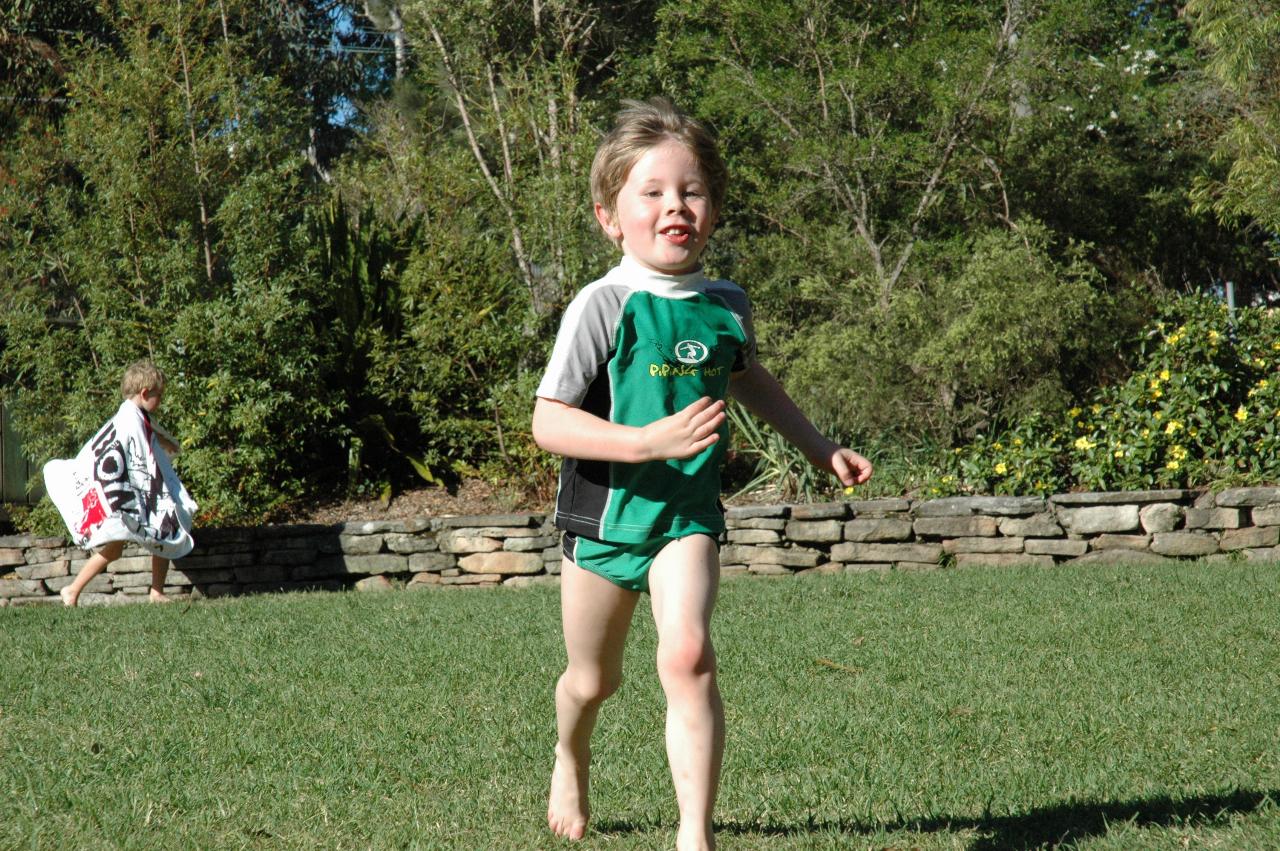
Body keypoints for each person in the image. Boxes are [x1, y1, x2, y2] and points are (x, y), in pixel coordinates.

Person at [532, 97, 873, 850]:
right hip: (604, 521)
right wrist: (646, 440)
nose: (674, 205)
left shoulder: (726, 305)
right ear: (610, 216)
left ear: (712, 211)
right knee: (592, 682)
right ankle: (569, 753)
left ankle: (695, 836)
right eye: (651, 192)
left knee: (687, 652)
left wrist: (820, 447)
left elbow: (753, 380)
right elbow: (548, 420)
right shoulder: (603, 304)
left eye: (690, 191)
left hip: (686, 518)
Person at [44, 360, 197, 607]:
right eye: (160, 395)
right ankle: (72, 590)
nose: (162, 401)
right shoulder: (129, 419)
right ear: (145, 393)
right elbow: (139, 457)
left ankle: (155, 592)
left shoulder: (134, 415)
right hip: (121, 496)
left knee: (162, 530)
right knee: (146, 534)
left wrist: (164, 441)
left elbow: (147, 435)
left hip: (124, 494)